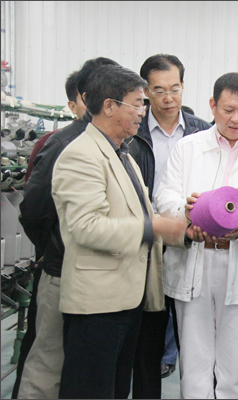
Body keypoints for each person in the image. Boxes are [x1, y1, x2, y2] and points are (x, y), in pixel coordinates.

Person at [51, 64, 192, 399]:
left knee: (114, 390)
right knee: (90, 391)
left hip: (127, 299)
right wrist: (154, 226)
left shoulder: (122, 153)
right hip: (97, 304)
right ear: (109, 106)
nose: (143, 111)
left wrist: (185, 232)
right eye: (138, 103)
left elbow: (141, 214)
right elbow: (87, 227)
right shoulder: (82, 156)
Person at [154, 72, 238, 399]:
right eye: (228, 110)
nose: (236, 118)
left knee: (234, 367)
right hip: (194, 260)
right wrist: (186, 211)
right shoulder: (188, 148)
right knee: (194, 364)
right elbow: (164, 197)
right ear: (213, 106)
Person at [17, 57, 119, 400]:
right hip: (62, 271)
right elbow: (34, 210)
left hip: (96, 276)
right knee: (47, 364)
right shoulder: (64, 143)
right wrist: (53, 249)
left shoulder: (118, 145)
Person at [128, 53, 211, 398]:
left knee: (194, 335)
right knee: (147, 336)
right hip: (146, 242)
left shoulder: (202, 132)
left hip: (191, 240)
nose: (168, 98)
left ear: (183, 86)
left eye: (174, 89)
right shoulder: (132, 132)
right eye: (159, 90)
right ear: (146, 91)